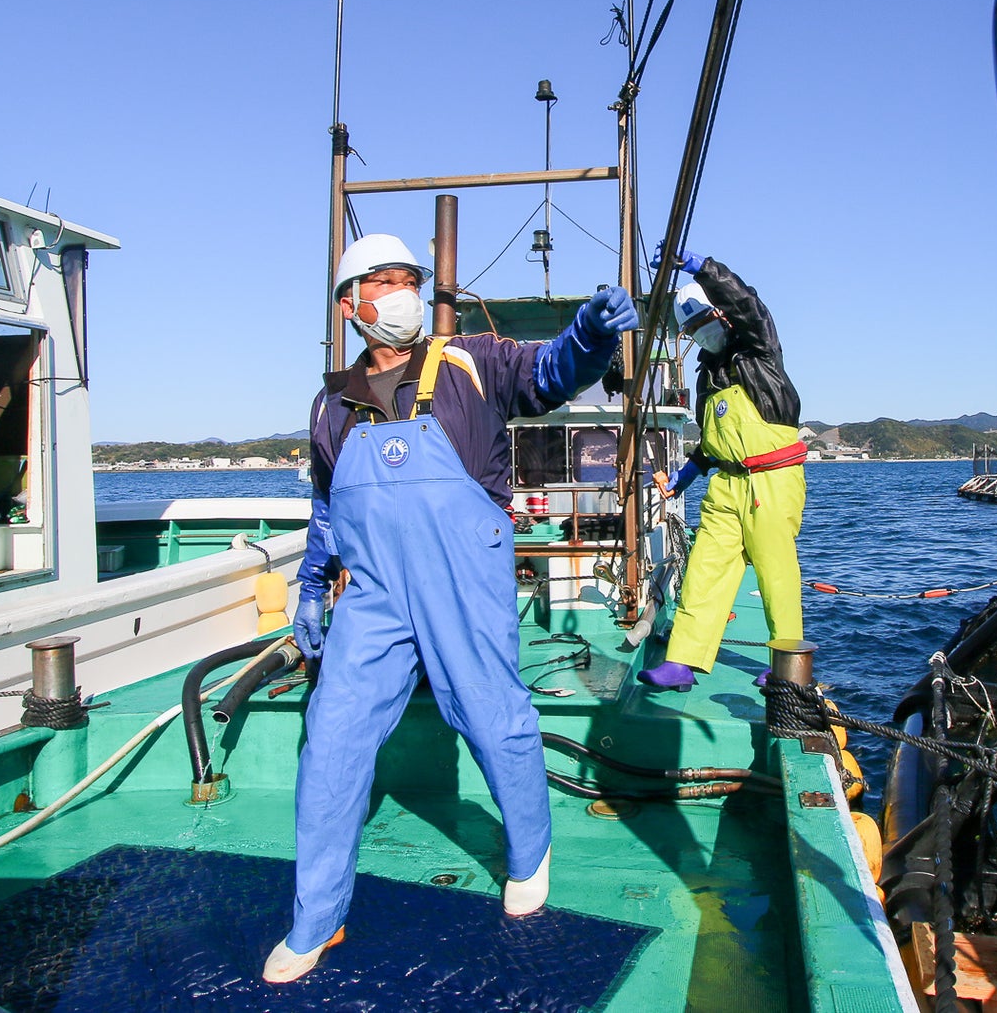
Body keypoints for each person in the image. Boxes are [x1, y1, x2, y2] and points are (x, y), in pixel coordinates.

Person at [265, 233, 638, 983]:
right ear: (350, 304)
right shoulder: (330, 403)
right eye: (384, 282)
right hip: (372, 597)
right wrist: (310, 583)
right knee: (331, 739)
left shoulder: (474, 360)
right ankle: (316, 919)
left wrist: (591, 335)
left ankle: (529, 854)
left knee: (492, 717)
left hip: (463, 585)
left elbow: (552, 372)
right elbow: (327, 505)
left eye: (409, 279)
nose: (402, 294)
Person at [637, 250, 805, 693]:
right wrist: (685, 476)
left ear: (722, 314)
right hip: (726, 485)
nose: (700, 333)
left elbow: (748, 304)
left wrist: (702, 268)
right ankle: (682, 661)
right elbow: (712, 444)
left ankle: (787, 665)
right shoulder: (706, 377)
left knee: (776, 574)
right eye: (691, 329)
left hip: (773, 478)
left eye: (703, 321)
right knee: (704, 569)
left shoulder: (759, 352)